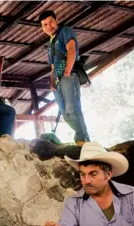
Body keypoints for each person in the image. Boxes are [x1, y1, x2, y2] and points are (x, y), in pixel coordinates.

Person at [38, 10, 90, 147]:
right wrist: (51, 83)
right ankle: (82, 140)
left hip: (68, 76)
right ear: (42, 28)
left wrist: (67, 72)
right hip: (57, 81)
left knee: (73, 109)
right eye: (45, 25)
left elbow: (72, 50)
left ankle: (83, 141)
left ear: (56, 21)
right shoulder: (50, 44)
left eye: (51, 22)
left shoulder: (65, 31)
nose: (49, 26)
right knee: (65, 113)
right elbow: (53, 67)